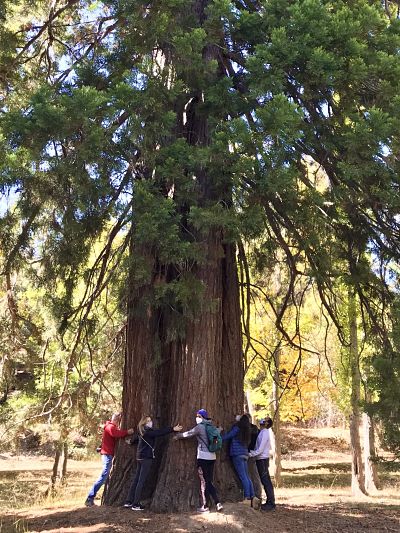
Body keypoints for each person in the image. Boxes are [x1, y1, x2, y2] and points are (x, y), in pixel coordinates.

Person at [124, 415, 182, 510]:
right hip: (146, 458)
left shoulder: (141, 431)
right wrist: (172, 429)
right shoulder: (148, 432)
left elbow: (136, 439)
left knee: (136, 480)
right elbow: (159, 433)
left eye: (150, 420)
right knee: (140, 481)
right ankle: (136, 504)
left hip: (139, 457)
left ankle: (129, 501)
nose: (150, 422)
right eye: (148, 421)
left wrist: (131, 441)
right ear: (144, 423)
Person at [175, 409, 223, 513]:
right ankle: (217, 503)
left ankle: (205, 506)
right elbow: (216, 434)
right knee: (209, 481)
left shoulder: (199, 427)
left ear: (202, 417)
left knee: (204, 482)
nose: (196, 418)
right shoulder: (212, 426)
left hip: (203, 457)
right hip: (212, 457)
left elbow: (188, 434)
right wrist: (220, 429)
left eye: (198, 416)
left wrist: (177, 436)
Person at [85, 412, 134, 506]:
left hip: (108, 454)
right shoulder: (110, 427)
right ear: (116, 420)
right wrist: (127, 432)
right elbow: (116, 434)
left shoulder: (110, 426)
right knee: (103, 477)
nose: (119, 423)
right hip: (107, 455)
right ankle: (90, 497)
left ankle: (91, 497)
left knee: (104, 477)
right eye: (119, 421)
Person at [222, 414, 260, 509]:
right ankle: (253, 497)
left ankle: (247, 498)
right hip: (245, 454)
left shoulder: (237, 428)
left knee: (243, 477)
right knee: (247, 476)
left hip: (237, 454)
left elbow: (228, 436)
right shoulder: (247, 430)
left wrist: (219, 437)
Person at [249, 417, 276, 511]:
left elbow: (260, 449)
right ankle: (269, 501)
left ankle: (271, 503)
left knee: (266, 481)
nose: (261, 420)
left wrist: (251, 454)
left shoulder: (265, 433)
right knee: (264, 480)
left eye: (264, 420)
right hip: (259, 458)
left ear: (267, 423)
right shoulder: (261, 432)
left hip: (262, 460)